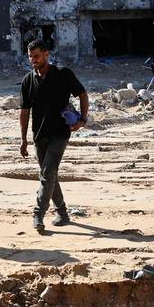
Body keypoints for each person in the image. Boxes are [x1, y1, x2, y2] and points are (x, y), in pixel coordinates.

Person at [19, 39, 89, 233]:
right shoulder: (27, 80)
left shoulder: (63, 75)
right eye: (30, 57)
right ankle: (63, 213)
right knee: (49, 175)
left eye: (36, 56)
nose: (33, 60)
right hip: (39, 135)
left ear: (46, 55)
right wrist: (23, 139)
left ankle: (37, 214)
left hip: (60, 133)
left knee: (47, 173)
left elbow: (82, 94)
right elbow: (24, 111)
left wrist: (83, 119)